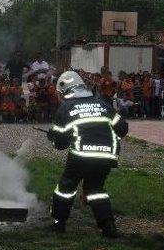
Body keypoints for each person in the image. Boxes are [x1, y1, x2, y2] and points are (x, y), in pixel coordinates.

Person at [46, 71, 128, 238]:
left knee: (66, 187)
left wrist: (53, 137)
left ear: (64, 91)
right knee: (95, 189)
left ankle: (58, 223)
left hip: (82, 154)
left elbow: (61, 144)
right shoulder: (102, 104)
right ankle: (108, 225)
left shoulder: (65, 108)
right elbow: (123, 129)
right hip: (107, 155)